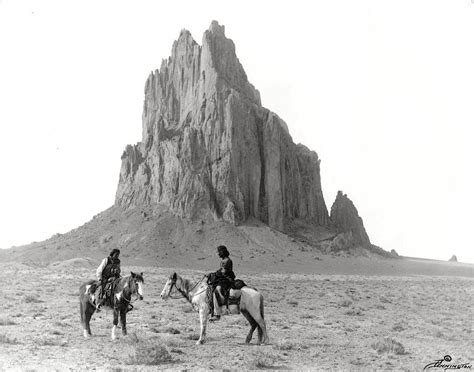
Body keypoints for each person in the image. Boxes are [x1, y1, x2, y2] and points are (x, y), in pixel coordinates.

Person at [209, 245, 235, 322]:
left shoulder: (227, 260)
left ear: (222, 252)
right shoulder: (223, 260)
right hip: (222, 278)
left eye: (218, 252)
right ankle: (211, 309)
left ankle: (217, 315)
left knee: (217, 290)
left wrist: (215, 274)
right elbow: (221, 270)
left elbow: (224, 271)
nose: (217, 254)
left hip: (226, 280)